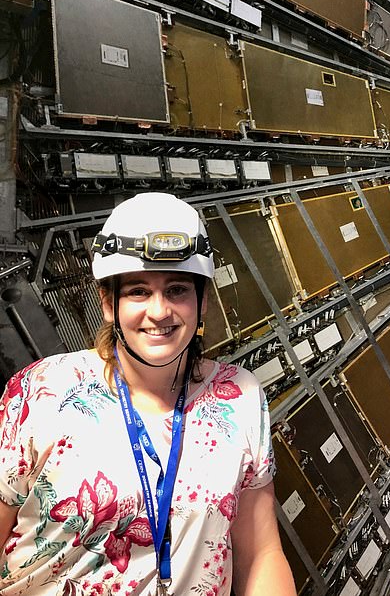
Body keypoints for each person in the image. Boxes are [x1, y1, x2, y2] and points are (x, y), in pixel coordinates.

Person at [0, 193, 297, 596]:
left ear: (203, 300)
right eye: (138, 291)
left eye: (177, 290)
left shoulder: (239, 397)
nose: (159, 311)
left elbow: (261, 554)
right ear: (108, 302)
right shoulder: (45, 391)